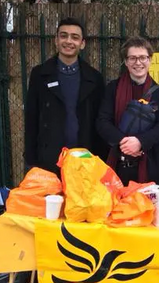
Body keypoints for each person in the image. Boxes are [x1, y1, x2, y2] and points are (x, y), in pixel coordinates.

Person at [24, 17, 105, 175]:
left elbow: (100, 121)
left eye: (75, 37)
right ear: (56, 40)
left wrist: (100, 158)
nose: (69, 41)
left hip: (84, 158)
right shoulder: (39, 74)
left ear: (82, 43)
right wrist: (31, 159)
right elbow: (31, 118)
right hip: (48, 158)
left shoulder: (95, 78)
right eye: (63, 35)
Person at [96, 36, 159, 186]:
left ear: (150, 59)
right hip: (118, 164)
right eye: (132, 58)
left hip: (151, 166)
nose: (138, 63)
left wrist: (140, 142)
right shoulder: (113, 88)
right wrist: (125, 143)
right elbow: (102, 122)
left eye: (143, 57)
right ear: (125, 61)